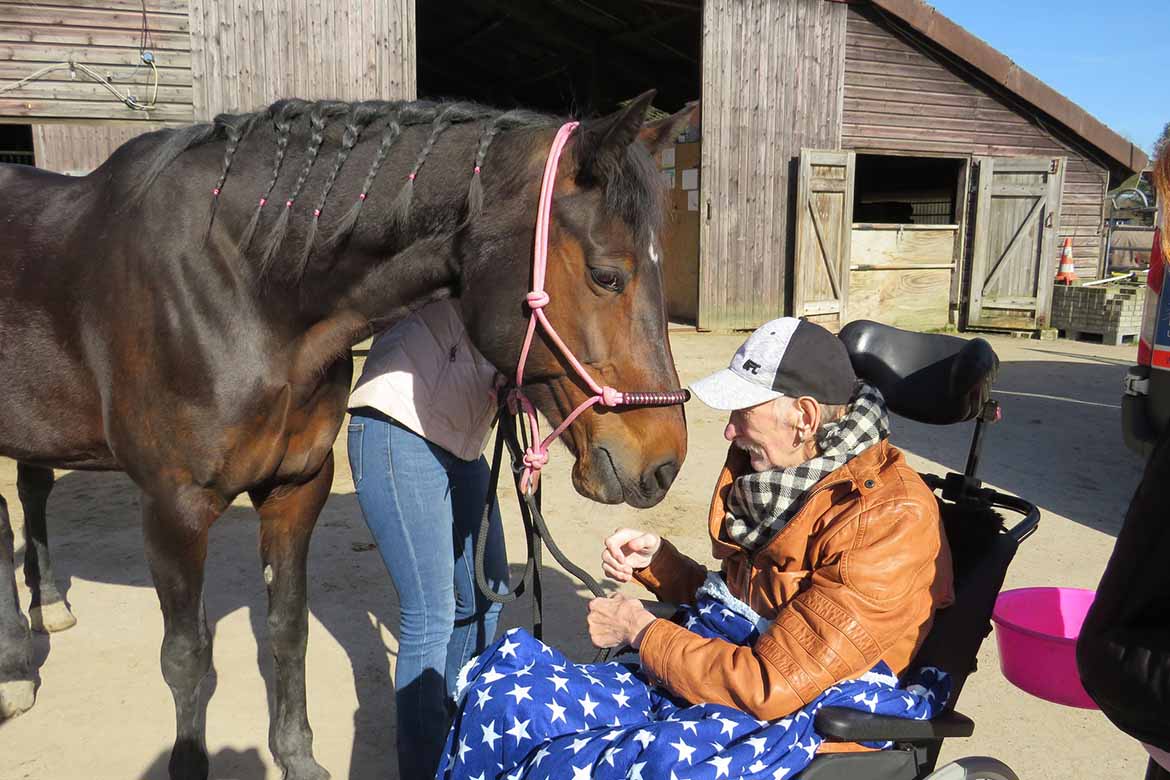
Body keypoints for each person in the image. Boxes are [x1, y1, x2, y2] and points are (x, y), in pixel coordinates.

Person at [588, 316, 955, 719]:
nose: (729, 431)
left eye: (742, 411)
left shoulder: (890, 519)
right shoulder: (786, 483)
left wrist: (642, 632)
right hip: (740, 690)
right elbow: (747, 614)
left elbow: (771, 684)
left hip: (801, 724)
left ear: (805, 418)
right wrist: (663, 565)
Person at [346, 298, 507, 780]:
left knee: (488, 592)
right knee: (430, 614)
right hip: (400, 424)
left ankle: (452, 730)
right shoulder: (490, 234)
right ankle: (424, 767)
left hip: (463, 439)